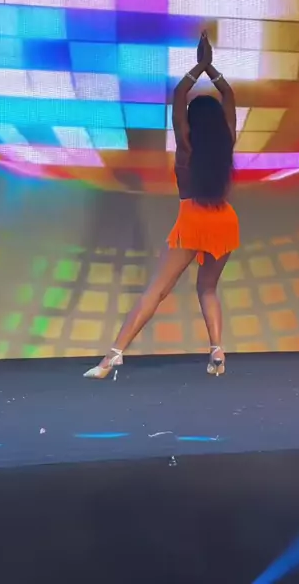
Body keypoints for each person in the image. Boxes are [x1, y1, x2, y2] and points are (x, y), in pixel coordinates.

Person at [84, 31, 239, 379]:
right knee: (208, 288)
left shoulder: (186, 144)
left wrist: (199, 67)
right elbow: (228, 96)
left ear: (191, 122)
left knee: (156, 290)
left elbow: (179, 95)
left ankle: (112, 357)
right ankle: (217, 351)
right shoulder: (226, 141)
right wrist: (212, 70)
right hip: (225, 220)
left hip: (193, 220)